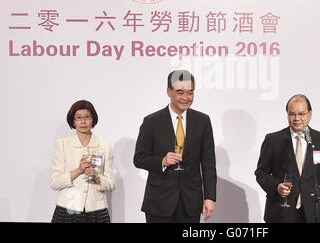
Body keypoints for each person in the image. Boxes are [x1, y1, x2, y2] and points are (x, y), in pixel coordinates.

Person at [134, 70, 217, 223]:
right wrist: (162, 161)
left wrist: (210, 197)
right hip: (159, 202)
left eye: (190, 93)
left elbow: (208, 163)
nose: (185, 98)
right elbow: (139, 159)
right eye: (180, 92)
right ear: (169, 92)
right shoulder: (152, 122)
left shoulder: (203, 121)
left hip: (190, 202)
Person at [255, 94, 320, 223]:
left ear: (310, 114)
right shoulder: (273, 140)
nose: (297, 119)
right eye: (292, 114)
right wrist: (276, 186)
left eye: (301, 114)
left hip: (312, 213)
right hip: (281, 211)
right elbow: (261, 173)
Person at [50, 100, 115, 223]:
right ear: (73, 121)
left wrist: (96, 177)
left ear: (93, 119)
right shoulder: (62, 145)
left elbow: (111, 184)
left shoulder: (104, 146)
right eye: (78, 118)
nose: (83, 122)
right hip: (67, 209)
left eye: (87, 117)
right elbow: (55, 183)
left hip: (97, 211)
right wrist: (79, 170)